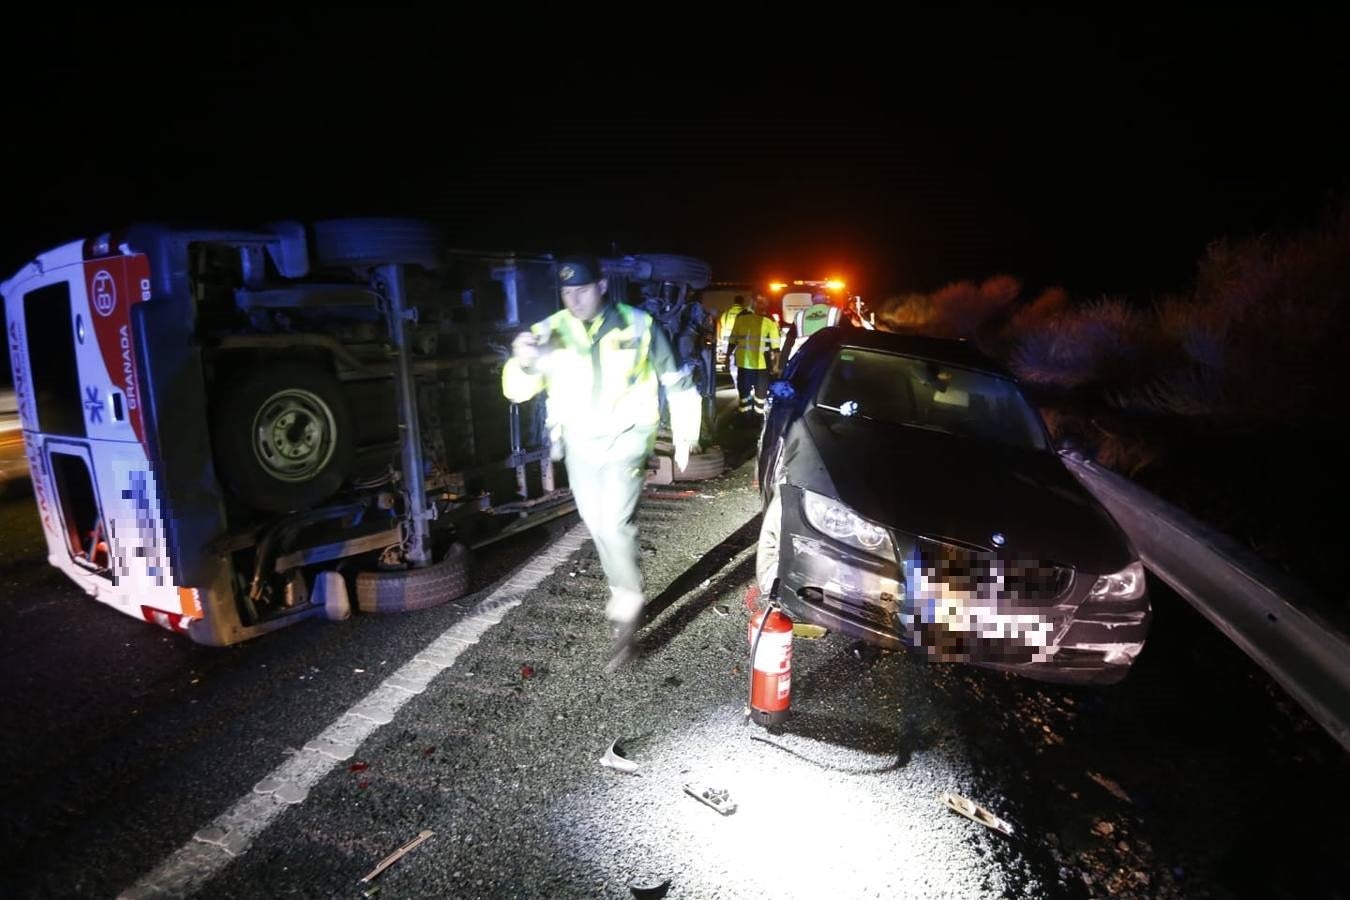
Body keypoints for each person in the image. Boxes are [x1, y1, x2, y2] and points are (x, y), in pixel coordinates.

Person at [502, 255, 701, 668]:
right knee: (595, 522)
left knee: (613, 523)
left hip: (627, 438)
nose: (574, 300)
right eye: (567, 292)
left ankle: (626, 607)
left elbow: (676, 380)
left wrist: (686, 434)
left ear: (603, 286)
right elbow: (517, 391)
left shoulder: (639, 324)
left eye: (582, 290)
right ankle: (623, 587)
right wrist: (522, 361)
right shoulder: (549, 331)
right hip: (579, 443)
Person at [725, 294, 780, 415]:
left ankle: (754, 416)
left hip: (757, 364)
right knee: (748, 394)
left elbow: (776, 346)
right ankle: (749, 416)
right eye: (760, 302)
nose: (762, 305)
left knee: (757, 395)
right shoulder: (767, 318)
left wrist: (776, 365)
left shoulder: (765, 318)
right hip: (753, 364)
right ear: (753, 301)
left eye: (764, 302)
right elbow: (733, 339)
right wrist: (727, 357)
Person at [718, 294, 747, 383]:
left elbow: (720, 325)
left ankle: (735, 381)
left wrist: (720, 340)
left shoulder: (726, 313)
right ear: (742, 302)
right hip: (740, 341)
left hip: (727, 341)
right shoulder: (745, 313)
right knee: (741, 362)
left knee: (731, 362)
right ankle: (742, 381)